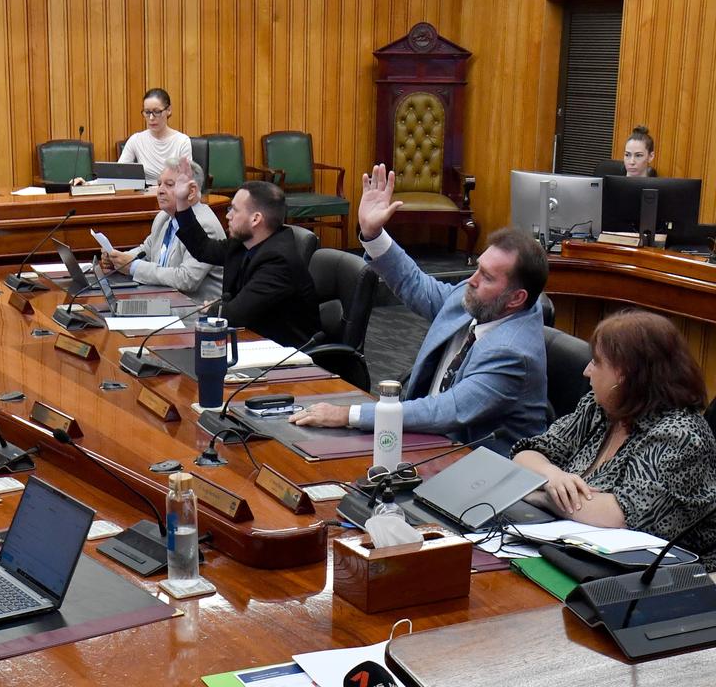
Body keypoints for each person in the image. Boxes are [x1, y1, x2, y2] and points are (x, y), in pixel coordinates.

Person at [289, 164, 548, 454]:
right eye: (477, 269)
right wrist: (374, 233)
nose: (471, 282)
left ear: (516, 298)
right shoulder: (482, 301)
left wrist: (347, 415)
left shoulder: (513, 352)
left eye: (486, 277)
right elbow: (416, 285)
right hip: (425, 440)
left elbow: (448, 410)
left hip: (474, 467)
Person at [512, 311, 716, 568]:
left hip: (666, 577)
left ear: (626, 374)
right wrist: (552, 475)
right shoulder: (600, 409)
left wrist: (540, 495)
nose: (587, 371)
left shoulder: (680, 436)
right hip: (582, 553)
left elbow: (620, 514)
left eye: (596, 362)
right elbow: (527, 453)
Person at [165, 157, 319, 346]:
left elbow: (237, 314)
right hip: (251, 340)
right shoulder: (242, 243)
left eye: (234, 210)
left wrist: (214, 309)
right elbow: (203, 249)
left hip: (285, 355)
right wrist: (182, 202)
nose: (228, 215)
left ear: (255, 219)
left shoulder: (278, 261)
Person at [99, 158, 224, 303]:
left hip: (196, 311)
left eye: (169, 185)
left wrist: (133, 267)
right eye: (159, 184)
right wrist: (117, 258)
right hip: (163, 302)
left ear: (191, 191)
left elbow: (187, 279)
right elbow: (146, 250)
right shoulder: (163, 217)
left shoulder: (204, 225)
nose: (160, 191)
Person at [118, 88, 193, 182]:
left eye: (157, 112)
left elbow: (186, 178)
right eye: (147, 112)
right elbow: (119, 173)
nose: (151, 118)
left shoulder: (182, 141)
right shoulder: (136, 140)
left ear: (168, 110)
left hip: (173, 193)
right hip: (145, 193)